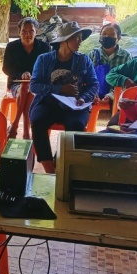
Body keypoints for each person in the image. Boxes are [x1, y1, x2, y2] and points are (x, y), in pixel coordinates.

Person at [29, 22, 99, 174]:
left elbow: (94, 84)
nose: (80, 41)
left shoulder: (83, 60)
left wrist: (83, 98)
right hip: (47, 103)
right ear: (64, 40)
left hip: (75, 105)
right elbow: (34, 86)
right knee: (37, 121)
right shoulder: (44, 59)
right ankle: (49, 169)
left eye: (81, 38)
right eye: (76, 38)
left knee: (76, 125)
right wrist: (60, 89)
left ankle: (62, 161)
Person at [2, 17, 51, 139]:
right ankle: (26, 132)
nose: (27, 34)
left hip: (37, 84)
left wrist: (34, 77)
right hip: (16, 83)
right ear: (19, 32)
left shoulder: (45, 47)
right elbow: (6, 68)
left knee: (29, 90)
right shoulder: (12, 47)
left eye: (31, 31)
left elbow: (48, 69)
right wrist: (21, 75)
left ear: (36, 32)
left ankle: (15, 125)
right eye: (24, 31)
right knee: (25, 87)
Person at [87, 23, 131, 104]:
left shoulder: (125, 56)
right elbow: (86, 79)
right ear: (100, 36)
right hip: (94, 100)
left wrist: (111, 96)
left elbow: (128, 82)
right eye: (104, 34)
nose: (107, 36)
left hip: (116, 101)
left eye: (111, 35)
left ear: (118, 38)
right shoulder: (92, 55)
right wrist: (92, 94)